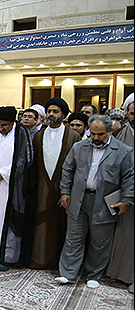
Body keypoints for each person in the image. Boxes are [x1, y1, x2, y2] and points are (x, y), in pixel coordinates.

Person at [56, 114, 134, 289]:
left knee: (100, 242)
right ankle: (68, 273)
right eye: (93, 134)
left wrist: (127, 200)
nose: (96, 138)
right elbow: (67, 170)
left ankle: (94, 275)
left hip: (105, 203)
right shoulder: (79, 147)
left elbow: (130, 177)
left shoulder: (123, 151)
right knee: (73, 238)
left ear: (110, 131)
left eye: (101, 135)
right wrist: (65, 192)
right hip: (78, 199)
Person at [0, 106, 36, 271]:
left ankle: (7, 256)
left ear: (12, 122)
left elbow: (26, 158)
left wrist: (4, 173)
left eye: (4, 125)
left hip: (11, 185)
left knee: (7, 219)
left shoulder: (21, 133)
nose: (1, 128)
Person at [29, 97, 81, 270]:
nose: (51, 114)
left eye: (55, 111)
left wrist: (68, 190)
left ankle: (57, 262)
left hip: (63, 188)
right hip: (41, 189)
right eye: (49, 111)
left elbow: (77, 166)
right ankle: (39, 259)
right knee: (40, 224)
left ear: (64, 115)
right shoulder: (38, 135)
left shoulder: (73, 136)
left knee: (60, 225)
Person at [105, 93, 134, 293]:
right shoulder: (122, 134)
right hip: (126, 192)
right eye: (133, 113)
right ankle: (124, 274)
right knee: (126, 235)